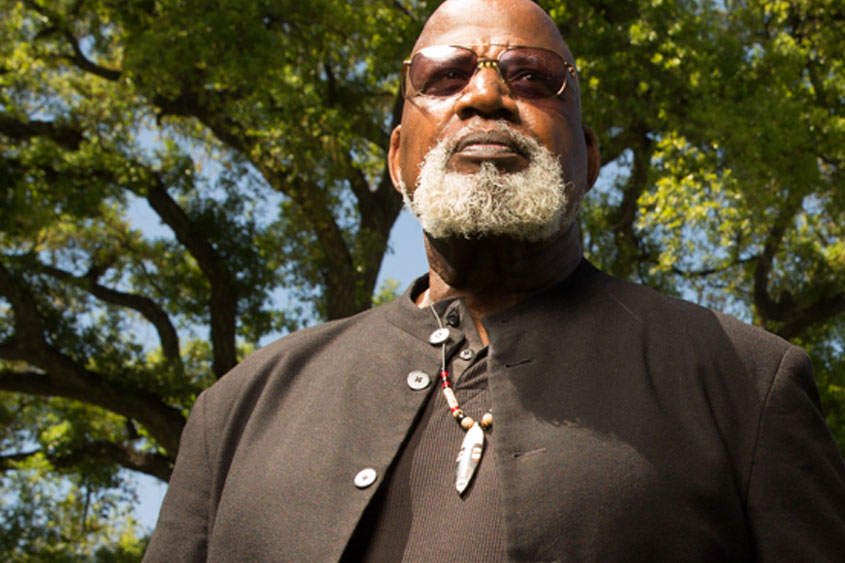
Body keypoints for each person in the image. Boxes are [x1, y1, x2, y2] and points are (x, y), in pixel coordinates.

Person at [144, 0, 845, 561]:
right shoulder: (238, 410)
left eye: (532, 77)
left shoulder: (743, 382)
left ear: (589, 157)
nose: (485, 94)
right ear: (396, 159)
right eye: (444, 76)